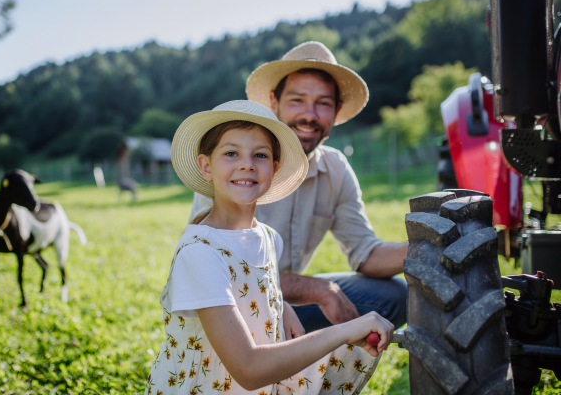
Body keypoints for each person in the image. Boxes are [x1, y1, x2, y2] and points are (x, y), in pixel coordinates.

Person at [145, 100, 394, 395]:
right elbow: (248, 369)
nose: (247, 163)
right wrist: (343, 331)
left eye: (260, 155)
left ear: (274, 169)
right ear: (206, 166)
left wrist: (283, 306)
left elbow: (251, 287)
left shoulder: (267, 237)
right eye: (231, 153)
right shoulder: (200, 253)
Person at [190, 42, 408, 333]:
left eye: (323, 103)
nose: (310, 115)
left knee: (394, 296)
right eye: (297, 100)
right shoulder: (239, 167)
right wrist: (318, 290)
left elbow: (365, 253)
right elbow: (224, 269)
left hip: (285, 301)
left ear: (337, 110)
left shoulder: (336, 168)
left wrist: (426, 247)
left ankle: (301, 356)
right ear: (273, 101)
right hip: (229, 308)